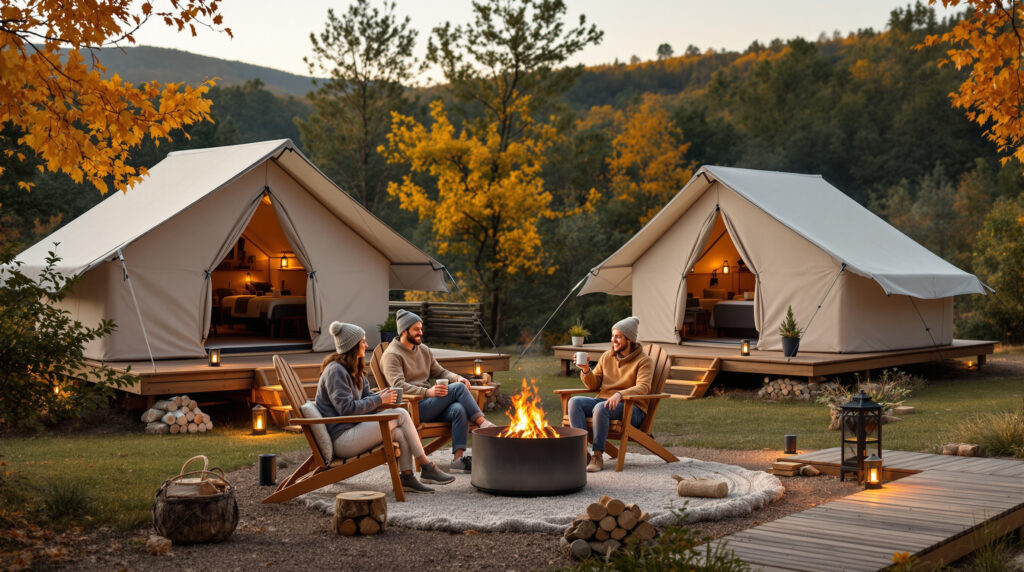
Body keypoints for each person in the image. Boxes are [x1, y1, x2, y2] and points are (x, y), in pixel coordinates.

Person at [316, 321, 454, 493]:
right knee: (401, 414)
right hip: (343, 439)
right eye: (363, 342)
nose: (366, 345)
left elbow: (368, 397)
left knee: (400, 432)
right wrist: (380, 400)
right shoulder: (335, 371)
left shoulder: (353, 369)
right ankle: (426, 465)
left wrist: (382, 395)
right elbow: (346, 408)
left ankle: (407, 477)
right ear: (352, 346)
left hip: (354, 429)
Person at [381, 308, 496, 473]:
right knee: (457, 389)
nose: (420, 332)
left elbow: (440, 372)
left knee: (458, 408)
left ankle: (458, 460)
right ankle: (483, 424)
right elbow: (398, 386)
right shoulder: (392, 355)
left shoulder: (424, 350)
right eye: (416, 329)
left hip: (431, 404)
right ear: (404, 332)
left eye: (421, 328)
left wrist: (457, 378)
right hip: (412, 408)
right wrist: (427, 393)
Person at [569, 316, 652, 472]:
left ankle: (598, 456)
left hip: (631, 408)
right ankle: (580, 453)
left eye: (618, 337)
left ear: (629, 340)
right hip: (604, 401)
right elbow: (594, 384)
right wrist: (586, 369)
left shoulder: (644, 361)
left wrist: (620, 394)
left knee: (601, 407)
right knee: (575, 402)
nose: (613, 340)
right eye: (613, 336)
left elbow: (644, 387)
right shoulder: (607, 356)